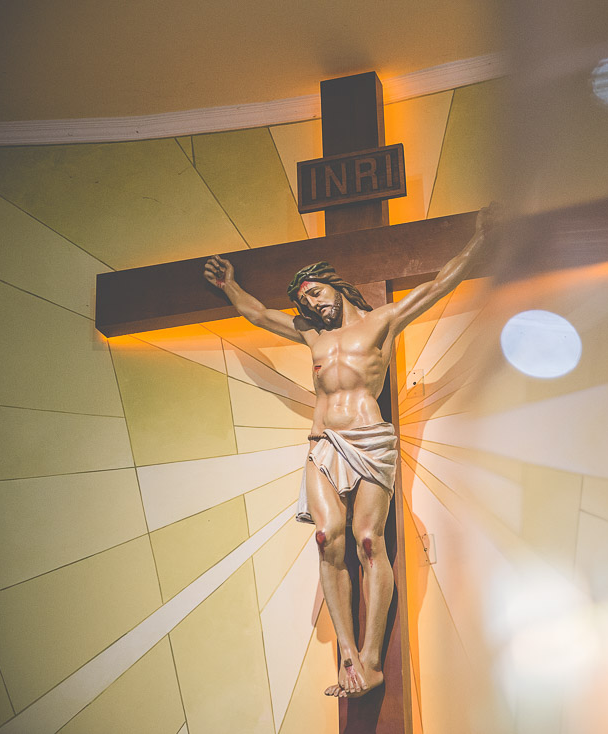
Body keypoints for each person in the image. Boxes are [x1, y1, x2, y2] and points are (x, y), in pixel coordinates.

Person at [203, 206, 494, 698]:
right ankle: (347, 652)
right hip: (323, 443)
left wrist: (479, 241)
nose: (312, 304)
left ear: (335, 285)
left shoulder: (383, 320)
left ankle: (372, 660)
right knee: (325, 537)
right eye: (304, 300)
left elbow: (438, 285)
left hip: (370, 440)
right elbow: (258, 315)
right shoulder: (310, 334)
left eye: (315, 292)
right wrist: (230, 285)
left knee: (368, 541)